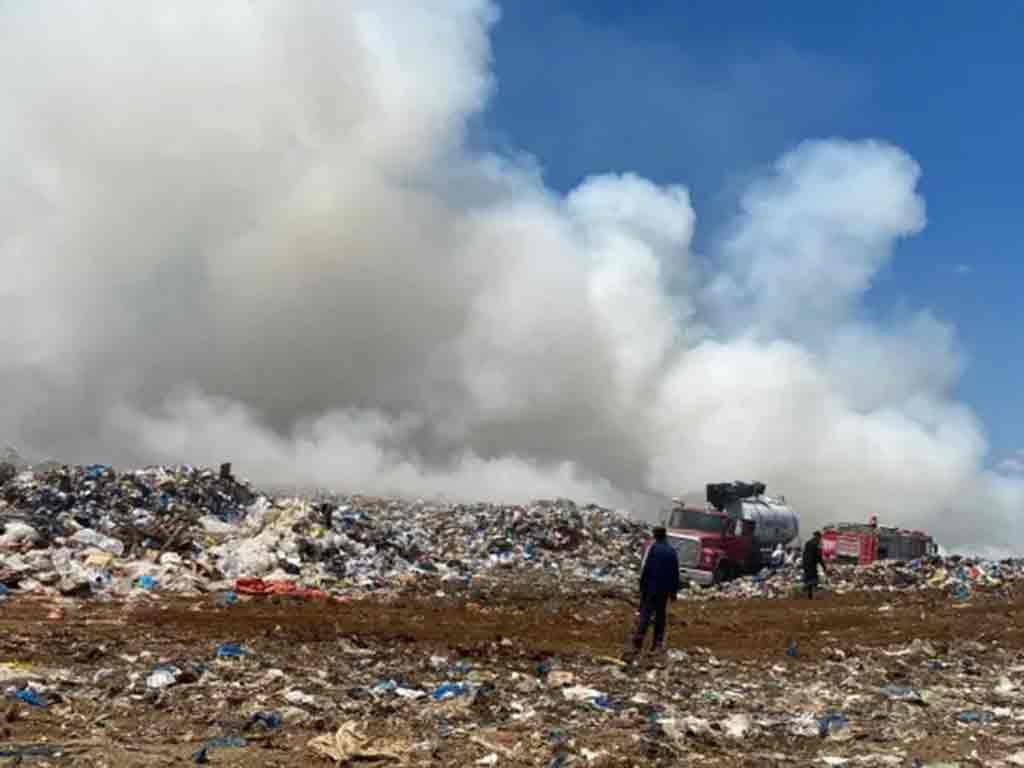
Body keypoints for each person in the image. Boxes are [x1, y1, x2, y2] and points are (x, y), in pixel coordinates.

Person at [626, 526, 680, 660]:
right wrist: (673, 593)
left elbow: (647, 569)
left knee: (645, 614)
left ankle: (638, 642)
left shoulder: (654, 549)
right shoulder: (671, 552)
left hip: (651, 588)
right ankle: (657, 643)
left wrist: (642, 587)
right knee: (660, 617)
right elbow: (675, 574)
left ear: (656, 536)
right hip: (664, 590)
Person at [802, 531, 828, 599]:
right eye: (820, 537)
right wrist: (823, 566)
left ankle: (810, 595)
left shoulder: (808, 543)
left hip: (806, 563)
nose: (820, 539)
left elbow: (804, 554)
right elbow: (819, 557)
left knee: (809, 578)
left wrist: (804, 563)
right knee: (814, 579)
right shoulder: (817, 544)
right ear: (818, 536)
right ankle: (806, 589)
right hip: (812, 564)